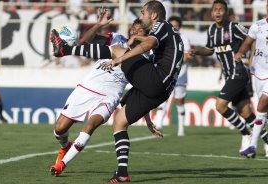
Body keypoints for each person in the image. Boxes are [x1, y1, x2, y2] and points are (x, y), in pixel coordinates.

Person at [50, 1, 184, 182]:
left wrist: (118, 59)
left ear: (154, 16)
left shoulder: (161, 26)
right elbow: (143, 84)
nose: (140, 19)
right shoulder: (128, 40)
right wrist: (148, 120)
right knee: (119, 121)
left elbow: (149, 43)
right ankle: (122, 173)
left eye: (143, 13)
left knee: (115, 51)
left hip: (148, 83)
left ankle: (64, 49)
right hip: (160, 89)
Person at [190, 0, 268, 155]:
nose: (218, 12)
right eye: (215, 9)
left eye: (221, 9)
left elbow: (252, 38)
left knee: (220, 105)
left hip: (239, 72)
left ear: (226, 12)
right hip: (229, 75)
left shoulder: (234, 27)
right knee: (246, 112)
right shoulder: (212, 30)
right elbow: (209, 50)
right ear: (212, 12)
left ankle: (246, 134)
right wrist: (196, 51)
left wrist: (252, 57)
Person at [236, 0, 268, 158]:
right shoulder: (258, 25)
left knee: (262, 103)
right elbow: (247, 43)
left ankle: (253, 145)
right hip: (258, 72)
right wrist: (239, 54)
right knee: (266, 113)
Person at [154, 16, 191, 136]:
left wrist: (175, 63)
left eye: (176, 25)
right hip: (167, 74)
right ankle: (159, 125)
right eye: (172, 25)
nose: (174, 27)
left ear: (180, 27)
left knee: (179, 101)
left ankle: (181, 128)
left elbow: (186, 56)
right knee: (162, 99)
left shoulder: (184, 39)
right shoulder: (165, 38)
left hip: (180, 75)